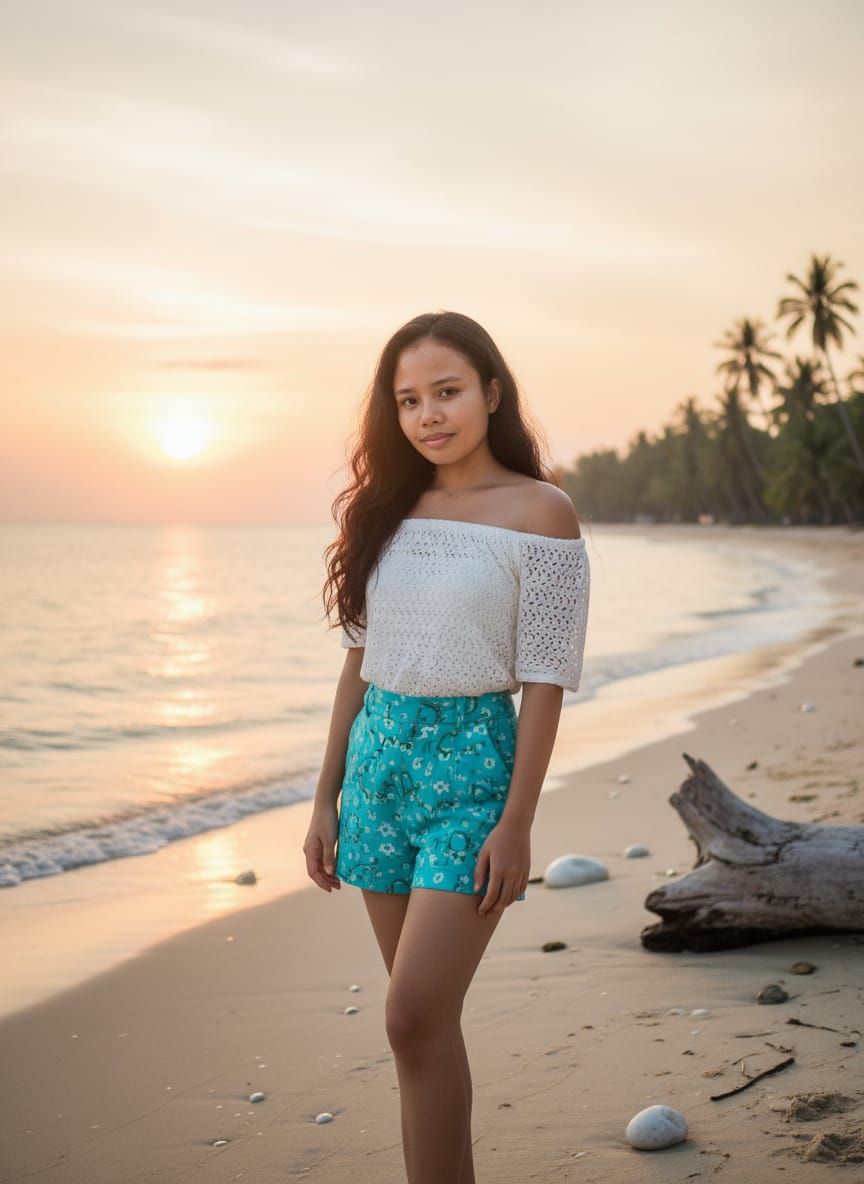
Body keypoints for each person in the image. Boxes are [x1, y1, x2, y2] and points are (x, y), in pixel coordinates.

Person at [304, 310, 590, 1183]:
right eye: (409, 400)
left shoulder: (544, 513)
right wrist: (325, 796)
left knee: (410, 1015)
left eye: (447, 392)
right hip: (379, 768)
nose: (429, 415)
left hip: (472, 770)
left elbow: (545, 680)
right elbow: (360, 663)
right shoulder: (386, 511)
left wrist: (519, 820)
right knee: (423, 1028)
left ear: (491, 393)